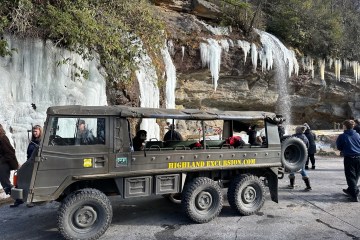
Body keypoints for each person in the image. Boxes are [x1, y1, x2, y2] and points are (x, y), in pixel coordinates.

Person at [10, 125, 43, 208]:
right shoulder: (33, 141)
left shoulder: (41, 142)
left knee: (31, 183)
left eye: (36, 131)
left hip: (36, 165)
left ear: (40, 131)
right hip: (30, 163)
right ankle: (19, 199)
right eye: (34, 131)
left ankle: (30, 201)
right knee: (20, 177)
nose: (34, 133)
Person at [336, 119, 360, 202]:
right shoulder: (358, 135)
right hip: (359, 157)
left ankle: (354, 195)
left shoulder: (342, 136)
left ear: (345, 126)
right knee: (356, 175)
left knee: (350, 176)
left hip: (349, 158)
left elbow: (339, 147)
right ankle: (351, 189)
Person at [288, 126, 312, 191]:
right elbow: (307, 146)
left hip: (293, 156)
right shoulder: (305, 137)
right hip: (302, 156)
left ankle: (292, 184)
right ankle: (308, 186)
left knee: (292, 170)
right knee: (302, 170)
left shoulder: (293, 137)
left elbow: (289, 145)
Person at [0, 124, 19, 196]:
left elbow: (11, 152)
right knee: (4, 183)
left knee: (5, 183)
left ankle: (18, 197)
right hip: (2, 163)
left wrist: (1, 160)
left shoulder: (3, 138)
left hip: (4, 164)